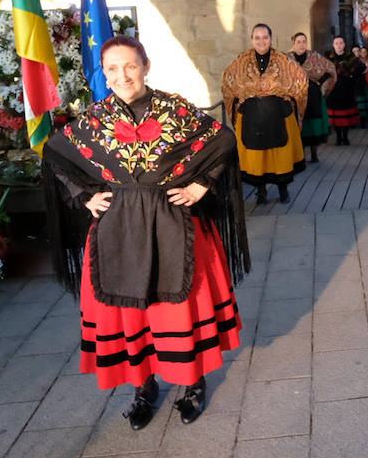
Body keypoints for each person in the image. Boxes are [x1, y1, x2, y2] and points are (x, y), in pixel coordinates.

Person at [44, 36, 250, 430]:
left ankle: (193, 383)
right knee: (129, 314)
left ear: (146, 65)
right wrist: (84, 196)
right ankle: (143, 387)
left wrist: (201, 185)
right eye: (112, 69)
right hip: (118, 231)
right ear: (103, 74)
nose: (122, 76)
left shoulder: (174, 110)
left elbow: (223, 139)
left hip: (173, 225)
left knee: (178, 310)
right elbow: (55, 153)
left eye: (130, 66)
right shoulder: (94, 119)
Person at [221, 24, 308, 204]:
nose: (261, 41)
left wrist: (289, 100)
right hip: (252, 116)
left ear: (271, 38)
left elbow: (301, 80)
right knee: (257, 156)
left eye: (265, 37)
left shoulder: (284, 60)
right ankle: (260, 191)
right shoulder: (241, 61)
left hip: (278, 115)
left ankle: (283, 190)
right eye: (257, 37)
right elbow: (227, 83)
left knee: (280, 154)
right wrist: (238, 103)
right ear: (252, 39)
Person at [290, 32, 334, 164]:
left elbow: (330, 69)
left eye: (304, 41)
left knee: (313, 124)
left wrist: (321, 85)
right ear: (293, 43)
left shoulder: (314, 57)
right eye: (298, 41)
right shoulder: (287, 58)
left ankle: (314, 154)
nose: (302, 44)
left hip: (313, 94)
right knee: (298, 124)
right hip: (295, 96)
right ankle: (300, 155)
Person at [324, 36, 363, 145]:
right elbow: (323, 70)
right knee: (336, 115)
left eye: (341, 43)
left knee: (346, 115)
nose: (339, 45)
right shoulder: (328, 57)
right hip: (333, 89)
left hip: (347, 88)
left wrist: (351, 76)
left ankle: (345, 137)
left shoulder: (350, 56)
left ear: (344, 44)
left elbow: (361, 68)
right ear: (333, 45)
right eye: (336, 43)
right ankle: (338, 137)